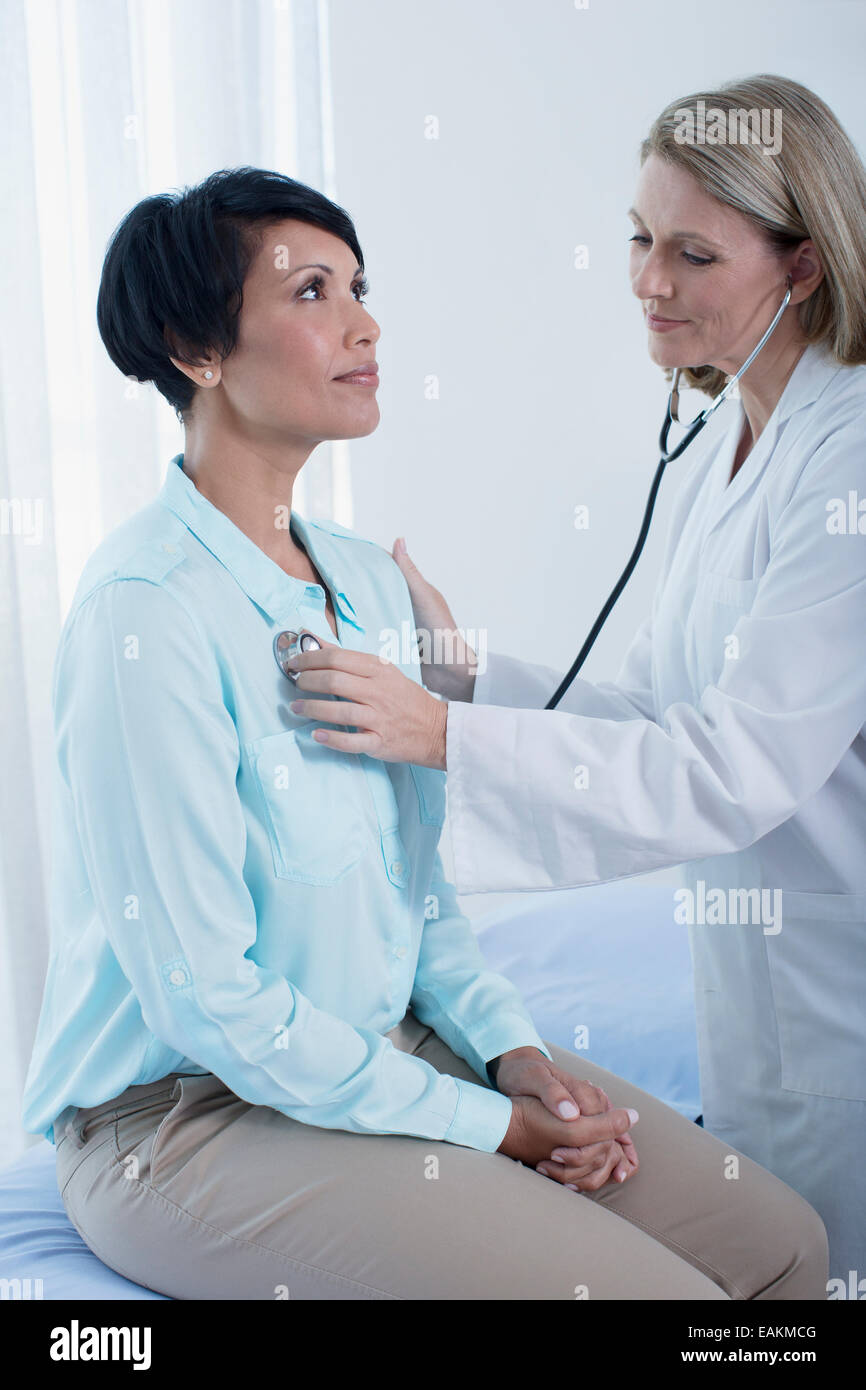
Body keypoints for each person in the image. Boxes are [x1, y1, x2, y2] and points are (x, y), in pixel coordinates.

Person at [21, 165, 826, 1300]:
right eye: (311, 292)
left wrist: (515, 1056)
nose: (364, 323)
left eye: (359, 284)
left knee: (781, 1245)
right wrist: (491, 1127)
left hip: (382, 1049)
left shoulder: (361, 578)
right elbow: (211, 999)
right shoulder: (143, 613)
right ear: (191, 348)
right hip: (193, 1118)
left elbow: (421, 895)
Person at [283, 75, 866, 1283]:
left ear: (802, 267)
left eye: (692, 253)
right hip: (766, 998)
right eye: (640, 240)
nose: (647, 281)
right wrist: (464, 674)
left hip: (839, 997)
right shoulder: (734, 443)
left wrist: (439, 735)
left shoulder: (846, 461)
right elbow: (660, 706)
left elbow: (725, 768)